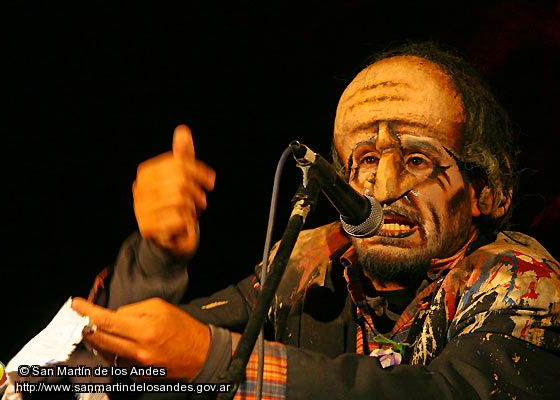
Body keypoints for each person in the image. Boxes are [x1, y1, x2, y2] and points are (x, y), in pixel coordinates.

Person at [65, 41, 558, 399]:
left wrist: (218, 360)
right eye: (365, 159)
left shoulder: (522, 281)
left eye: (417, 161)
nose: (383, 189)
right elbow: (112, 364)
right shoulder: (312, 258)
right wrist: (156, 258)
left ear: (486, 192)